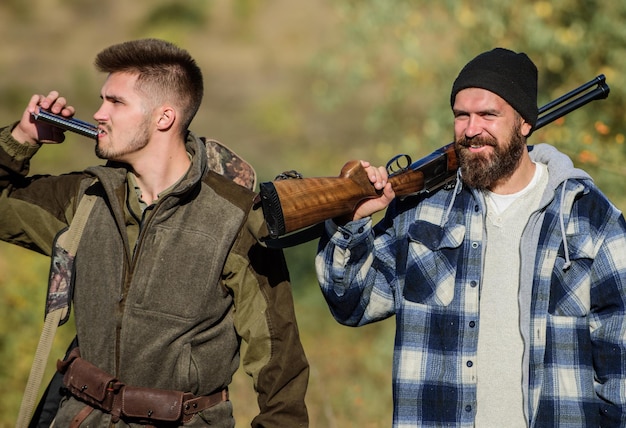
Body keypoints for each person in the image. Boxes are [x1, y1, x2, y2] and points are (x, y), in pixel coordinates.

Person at [1, 38, 309, 427]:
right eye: (102, 100)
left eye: (115, 102)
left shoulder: (236, 218)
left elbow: (280, 367)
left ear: (164, 118)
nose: (97, 113)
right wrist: (22, 138)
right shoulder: (84, 198)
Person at [315, 47, 626, 427]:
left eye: (488, 115)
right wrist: (351, 224)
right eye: (461, 115)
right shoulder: (422, 211)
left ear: (525, 122)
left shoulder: (588, 216)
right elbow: (352, 303)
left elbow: (620, 360)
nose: (471, 129)